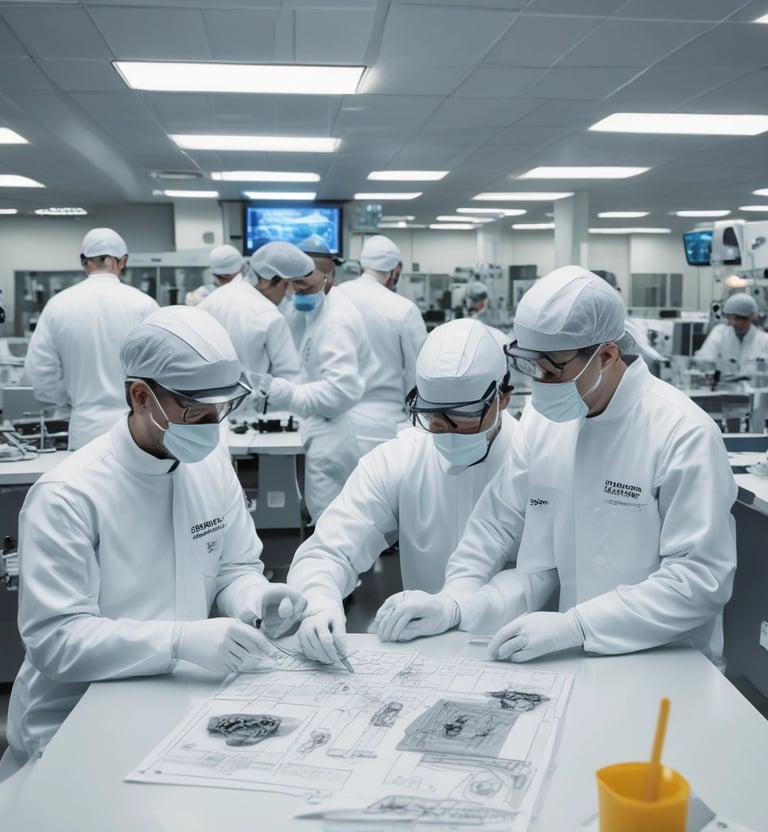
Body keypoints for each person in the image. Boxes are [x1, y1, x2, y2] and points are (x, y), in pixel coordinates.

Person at [376, 265, 737, 669]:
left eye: (551, 370)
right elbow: (496, 522)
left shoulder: (682, 433)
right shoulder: (545, 422)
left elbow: (699, 581)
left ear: (606, 355)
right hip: (575, 660)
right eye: (530, 366)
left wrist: (579, 626)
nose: (540, 383)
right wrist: (456, 602)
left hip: (671, 666)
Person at [3, 306, 307, 773]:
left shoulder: (209, 464)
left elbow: (234, 567)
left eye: (222, 408)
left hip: (175, 695)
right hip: (72, 718)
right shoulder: (69, 495)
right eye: (196, 410)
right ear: (141, 395)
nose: (212, 425)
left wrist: (255, 597)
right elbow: (57, 640)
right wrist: (180, 640)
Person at [287, 319, 516, 665]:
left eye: (464, 417)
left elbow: (544, 575)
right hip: (427, 653)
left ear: (504, 399)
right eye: (434, 417)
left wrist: (460, 609)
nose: (447, 432)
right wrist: (318, 602)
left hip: (522, 647)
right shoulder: (401, 458)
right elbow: (330, 550)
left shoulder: (533, 457)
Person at [249, 242, 376, 522]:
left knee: (329, 521)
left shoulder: (336, 321)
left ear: (325, 276)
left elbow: (340, 391)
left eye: (304, 286)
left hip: (336, 434)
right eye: (293, 286)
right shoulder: (311, 312)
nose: (296, 292)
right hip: (321, 428)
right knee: (322, 516)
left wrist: (281, 392)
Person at [24, 227, 159, 449]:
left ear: (84, 261)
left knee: (85, 483)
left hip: (84, 429)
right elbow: (161, 368)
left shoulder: (58, 305)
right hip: (137, 429)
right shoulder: (144, 305)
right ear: (122, 262)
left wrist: (70, 400)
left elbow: (38, 372)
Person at [335, 234, 427, 435]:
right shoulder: (404, 308)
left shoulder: (334, 297)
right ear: (396, 271)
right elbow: (418, 370)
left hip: (335, 421)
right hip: (384, 423)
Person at [199, 244, 300, 385]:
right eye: (286, 285)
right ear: (271, 281)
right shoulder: (269, 314)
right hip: (251, 403)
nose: (287, 292)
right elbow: (289, 376)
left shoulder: (208, 302)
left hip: (207, 401)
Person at [695, 292, 768, 377]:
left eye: (744, 319)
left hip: (754, 389)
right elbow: (704, 360)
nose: (740, 323)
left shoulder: (764, 340)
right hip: (723, 387)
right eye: (736, 318)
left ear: (752, 316)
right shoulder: (719, 333)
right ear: (728, 317)